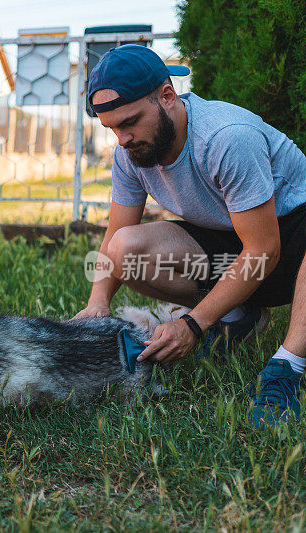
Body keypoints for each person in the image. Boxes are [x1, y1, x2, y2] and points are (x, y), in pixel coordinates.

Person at [73, 44, 306, 427]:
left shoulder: (227, 137)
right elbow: (115, 234)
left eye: (130, 121)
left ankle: (285, 367)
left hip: (289, 243)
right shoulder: (131, 153)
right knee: (123, 250)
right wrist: (97, 303)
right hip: (231, 246)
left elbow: (264, 249)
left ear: (167, 96)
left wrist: (192, 325)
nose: (122, 138)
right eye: (112, 127)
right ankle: (236, 315)